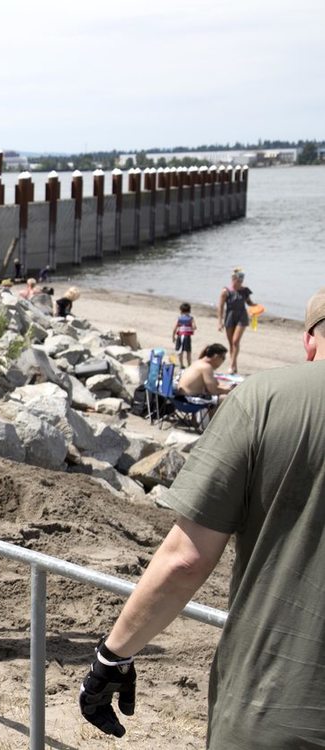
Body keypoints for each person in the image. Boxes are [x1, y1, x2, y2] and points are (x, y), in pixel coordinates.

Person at [78, 287, 325, 747]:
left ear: (309, 340)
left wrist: (113, 657)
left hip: (270, 712)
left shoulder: (263, 402)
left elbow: (185, 561)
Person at [216, 267, 255, 374]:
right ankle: (235, 367)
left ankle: (232, 365)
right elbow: (220, 306)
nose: (240, 283)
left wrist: (257, 307)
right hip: (230, 317)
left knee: (235, 341)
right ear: (233, 279)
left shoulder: (245, 290)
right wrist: (220, 322)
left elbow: (249, 303)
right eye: (238, 280)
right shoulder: (226, 291)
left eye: (241, 281)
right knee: (231, 344)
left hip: (242, 316)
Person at [171, 302, 197, 367]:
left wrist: (173, 337)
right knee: (188, 351)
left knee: (180, 351)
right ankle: (189, 364)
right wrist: (192, 328)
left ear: (181, 311)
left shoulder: (179, 318)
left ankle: (181, 364)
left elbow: (175, 328)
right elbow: (194, 327)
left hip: (180, 336)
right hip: (187, 337)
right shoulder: (191, 318)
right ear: (189, 311)